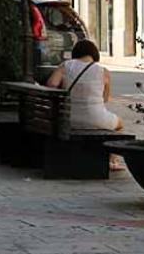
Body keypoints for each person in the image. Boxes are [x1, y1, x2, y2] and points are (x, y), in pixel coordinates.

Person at [46, 40, 124, 172]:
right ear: (94, 54)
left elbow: (51, 85)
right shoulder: (103, 71)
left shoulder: (65, 66)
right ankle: (113, 160)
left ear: (75, 53)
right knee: (120, 124)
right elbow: (105, 99)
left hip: (68, 118)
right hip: (97, 119)